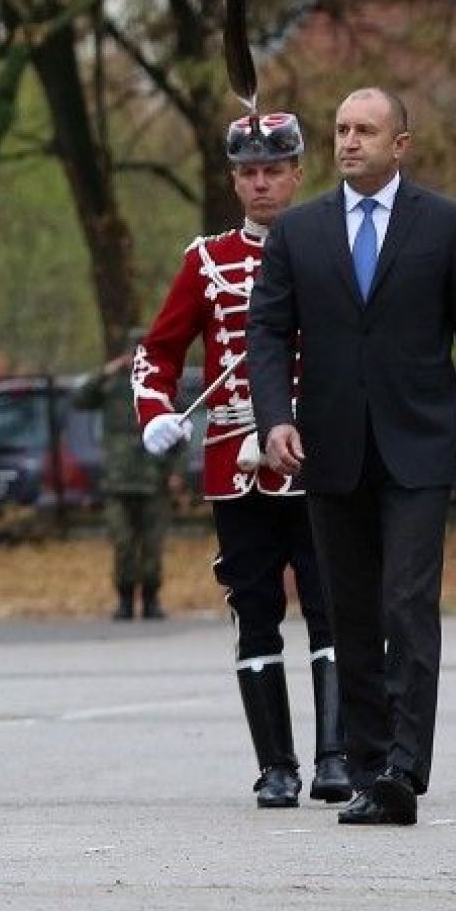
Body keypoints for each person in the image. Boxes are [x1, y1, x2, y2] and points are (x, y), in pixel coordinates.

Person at [247, 87, 456, 827]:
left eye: (365, 129)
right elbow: (265, 335)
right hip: (330, 452)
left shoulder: (447, 225)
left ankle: (403, 766)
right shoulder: (298, 233)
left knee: (407, 603)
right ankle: (369, 772)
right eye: (340, 130)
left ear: (401, 144)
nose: (349, 141)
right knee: (351, 613)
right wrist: (275, 421)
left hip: (420, 449)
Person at [133, 110, 351, 808]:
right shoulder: (206, 261)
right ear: (234, 180)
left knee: (332, 606)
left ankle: (338, 757)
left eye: (274, 171)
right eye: (249, 173)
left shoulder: (334, 245)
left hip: (318, 459)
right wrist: (156, 413)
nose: (261, 184)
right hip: (236, 462)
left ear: (295, 174)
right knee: (254, 609)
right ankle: (276, 767)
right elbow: (157, 351)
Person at [74, 327, 180, 621]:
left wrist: (176, 472)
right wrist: (107, 371)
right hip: (118, 481)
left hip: (152, 479)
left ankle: (151, 598)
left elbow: (181, 431)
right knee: (122, 543)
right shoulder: (112, 386)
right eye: (133, 354)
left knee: (152, 545)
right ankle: (123, 599)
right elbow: (80, 399)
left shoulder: (162, 386)